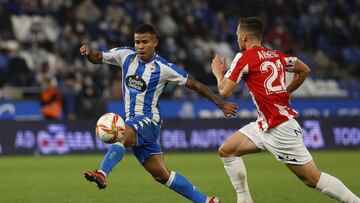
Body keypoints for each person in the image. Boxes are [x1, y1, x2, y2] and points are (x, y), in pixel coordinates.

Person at [80, 24, 237, 203]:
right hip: (135, 122)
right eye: (137, 42)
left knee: (120, 134)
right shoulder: (125, 55)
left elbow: (195, 85)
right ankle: (206, 201)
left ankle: (102, 173)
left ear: (155, 42)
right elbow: (98, 57)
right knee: (162, 175)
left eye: (144, 42)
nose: (140, 46)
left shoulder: (163, 67)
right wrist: (89, 53)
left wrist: (220, 104)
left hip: (149, 120)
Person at [210, 17, 360, 203]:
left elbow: (224, 91)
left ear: (243, 37)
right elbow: (304, 69)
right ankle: (245, 200)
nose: (237, 40)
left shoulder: (244, 57)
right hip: (264, 125)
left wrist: (218, 73)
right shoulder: (276, 55)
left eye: (237, 37)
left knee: (312, 179)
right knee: (227, 150)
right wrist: (287, 91)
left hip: (280, 128)